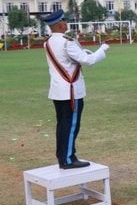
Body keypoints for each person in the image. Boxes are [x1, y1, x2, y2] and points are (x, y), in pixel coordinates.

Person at [42, 9, 109, 169]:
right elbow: (88, 60)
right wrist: (103, 49)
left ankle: (63, 157)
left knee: (63, 125)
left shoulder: (49, 41)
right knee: (71, 125)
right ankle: (68, 159)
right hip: (71, 91)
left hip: (59, 91)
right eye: (63, 21)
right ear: (59, 24)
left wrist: (82, 52)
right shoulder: (67, 41)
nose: (66, 23)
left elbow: (68, 59)